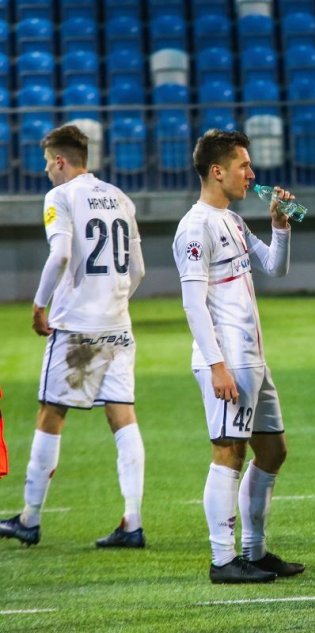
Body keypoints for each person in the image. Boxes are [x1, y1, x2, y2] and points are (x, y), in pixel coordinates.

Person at [0, 125, 147, 549]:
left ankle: (29, 518)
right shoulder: (120, 197)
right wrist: (111, 301)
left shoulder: (60, 197)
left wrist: (39, 304)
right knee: (123, 415)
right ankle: (132, 522)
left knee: (51, 413)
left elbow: (61, 253)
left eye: (48, 163)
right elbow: (137, 270)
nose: (47, 171)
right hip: (118, 324)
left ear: (61, 160)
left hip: (78, 328)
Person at [173, 129, 304, 584]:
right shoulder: (196, 227)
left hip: (253, 359)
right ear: (217, 171)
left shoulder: (231, 219)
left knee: (273, 450)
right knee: (228, 451)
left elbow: (274, 267)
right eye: (243, 166)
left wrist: (280, 226)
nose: (251, 174)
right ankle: (223, 559)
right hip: (228, 360)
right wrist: (217, 366)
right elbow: (193, 304)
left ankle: (254, 551)